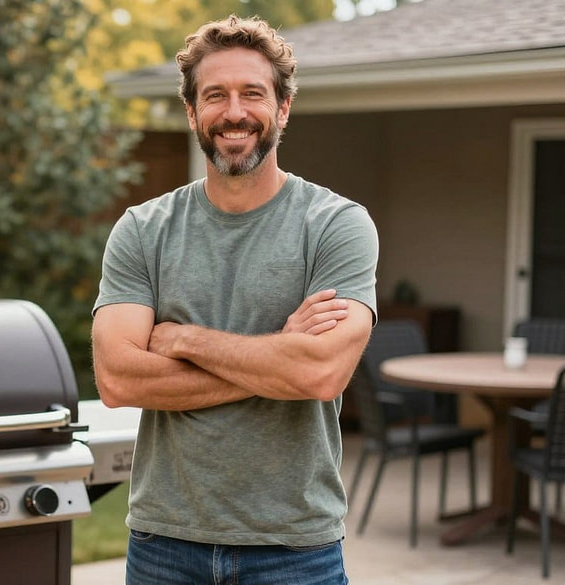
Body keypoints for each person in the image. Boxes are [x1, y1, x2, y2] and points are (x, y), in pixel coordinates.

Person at [91, 14, 379, 585]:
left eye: (253, 93)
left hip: (295, 547)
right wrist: (279, 356)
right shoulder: (143, 230)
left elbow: (321, 373)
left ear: (284, 108)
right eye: (215, 95)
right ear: (193, 112)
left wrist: (182, 340)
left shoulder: (336, 226)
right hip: (164, 544)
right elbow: (119, 381)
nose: (235, 112)